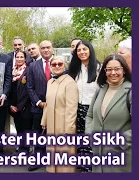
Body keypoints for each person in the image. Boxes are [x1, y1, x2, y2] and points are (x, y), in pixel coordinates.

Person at [86, 54, 131, 172]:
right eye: (109, 69)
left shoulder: (131, 92)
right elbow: (90, 115)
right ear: (104, 71)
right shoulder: (101, 89)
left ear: (124, 70)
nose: (113, 73)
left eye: (117, 69)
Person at [41, 56, 78, 173]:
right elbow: (48, 103)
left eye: (60, 64)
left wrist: (69, 130)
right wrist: (44, 121)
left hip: (64, 126)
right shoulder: (50, 82)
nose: (57, 66)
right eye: (54, 64)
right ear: (50, 66)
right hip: (52, 124)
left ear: (64, 66)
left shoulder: (70, 82)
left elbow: (72, 108)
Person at [68, 40, 101, 172]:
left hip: (93, 108)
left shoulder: (99, 68)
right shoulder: (75, 69)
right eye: (79, 50)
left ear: (90, 50)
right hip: (78, 107)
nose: (82, 52)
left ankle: (90, 165)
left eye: (84, 49)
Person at [26, 40, 53, 171]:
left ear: (52, 48)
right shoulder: (32, 66)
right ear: (40, 50)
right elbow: (29, 87)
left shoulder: (59, 64)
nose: (46, 50)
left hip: (56, 107)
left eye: (48, 47)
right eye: (43, 48)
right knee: (37, 134)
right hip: (38, 107)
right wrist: (39, 103)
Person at [8, 50, 32, 153]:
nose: (19, 59)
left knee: (26, 128)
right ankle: (21, 147)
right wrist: (10, 105)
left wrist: (20, 106)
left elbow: (29, 90)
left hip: (25, 106)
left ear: (25, 58)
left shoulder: (28, 70)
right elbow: (8, 89)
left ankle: (25, 149)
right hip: (14, 106)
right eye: (17, 57)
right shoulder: (12, 71)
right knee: (18, 128)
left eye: (21, 57)